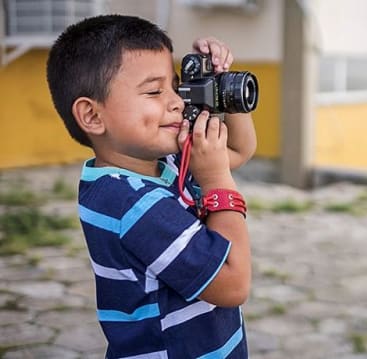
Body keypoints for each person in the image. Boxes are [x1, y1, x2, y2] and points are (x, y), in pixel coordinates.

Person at [46, 14, 256, 359]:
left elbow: (239, 150)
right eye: (155, 91)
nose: (176, 101)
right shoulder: (131, 202)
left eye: (175, 86)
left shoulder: (161, 165)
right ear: (93, 116)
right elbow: (233, 285)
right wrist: (217, 181)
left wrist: (222, 84)